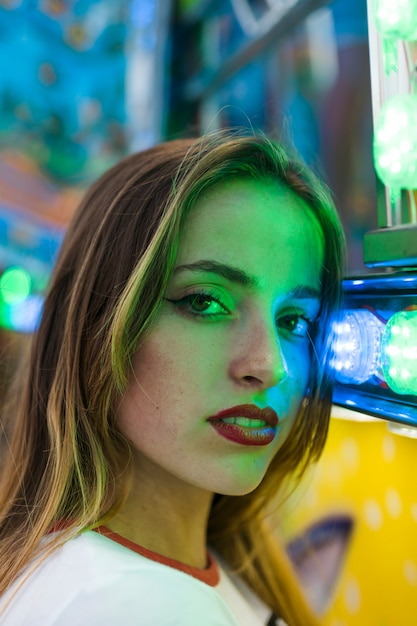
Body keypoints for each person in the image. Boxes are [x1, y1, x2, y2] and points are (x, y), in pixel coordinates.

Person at [0, 131, 345, 625]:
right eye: (205, 302)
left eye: (294, 321)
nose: (270, 366)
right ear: (97, 325)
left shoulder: (190, 570)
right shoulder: (137, 603)